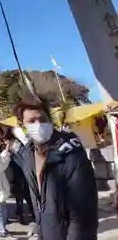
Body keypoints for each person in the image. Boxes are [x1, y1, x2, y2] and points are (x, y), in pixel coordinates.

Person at [11, 99, 98, 240]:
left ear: (50, 121)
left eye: (42, 119)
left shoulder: (71, 153)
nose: (38, 125)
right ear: (23, 126)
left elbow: (84, 214)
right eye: (31, 121)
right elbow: (39, 201)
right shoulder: (28, 154)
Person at [0, 126, 34, 225]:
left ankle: (32, 214)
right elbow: (0, 159)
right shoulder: (1, 147)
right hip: (13, 175)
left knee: (27, 195)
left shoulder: (15, 143)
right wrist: (7, 150)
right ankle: (21, 215)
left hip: (22, 172)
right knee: (20, 196)